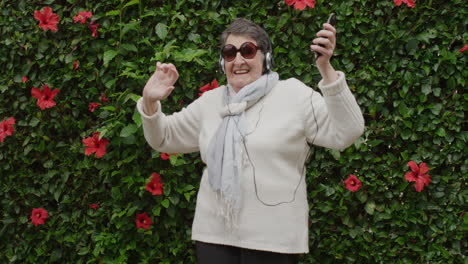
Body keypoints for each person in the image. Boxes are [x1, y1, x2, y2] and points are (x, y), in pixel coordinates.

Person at [137, 18, 364, 264]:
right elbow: (164, 138)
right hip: (214, 236)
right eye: (229, 53)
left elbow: (348, 131)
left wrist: (326, 69)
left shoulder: (294, 95)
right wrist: (150, 101)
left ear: (265, 58)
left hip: (274, 240)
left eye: (247, 51)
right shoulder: (210, 103)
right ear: (222, 62)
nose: (239, 60)